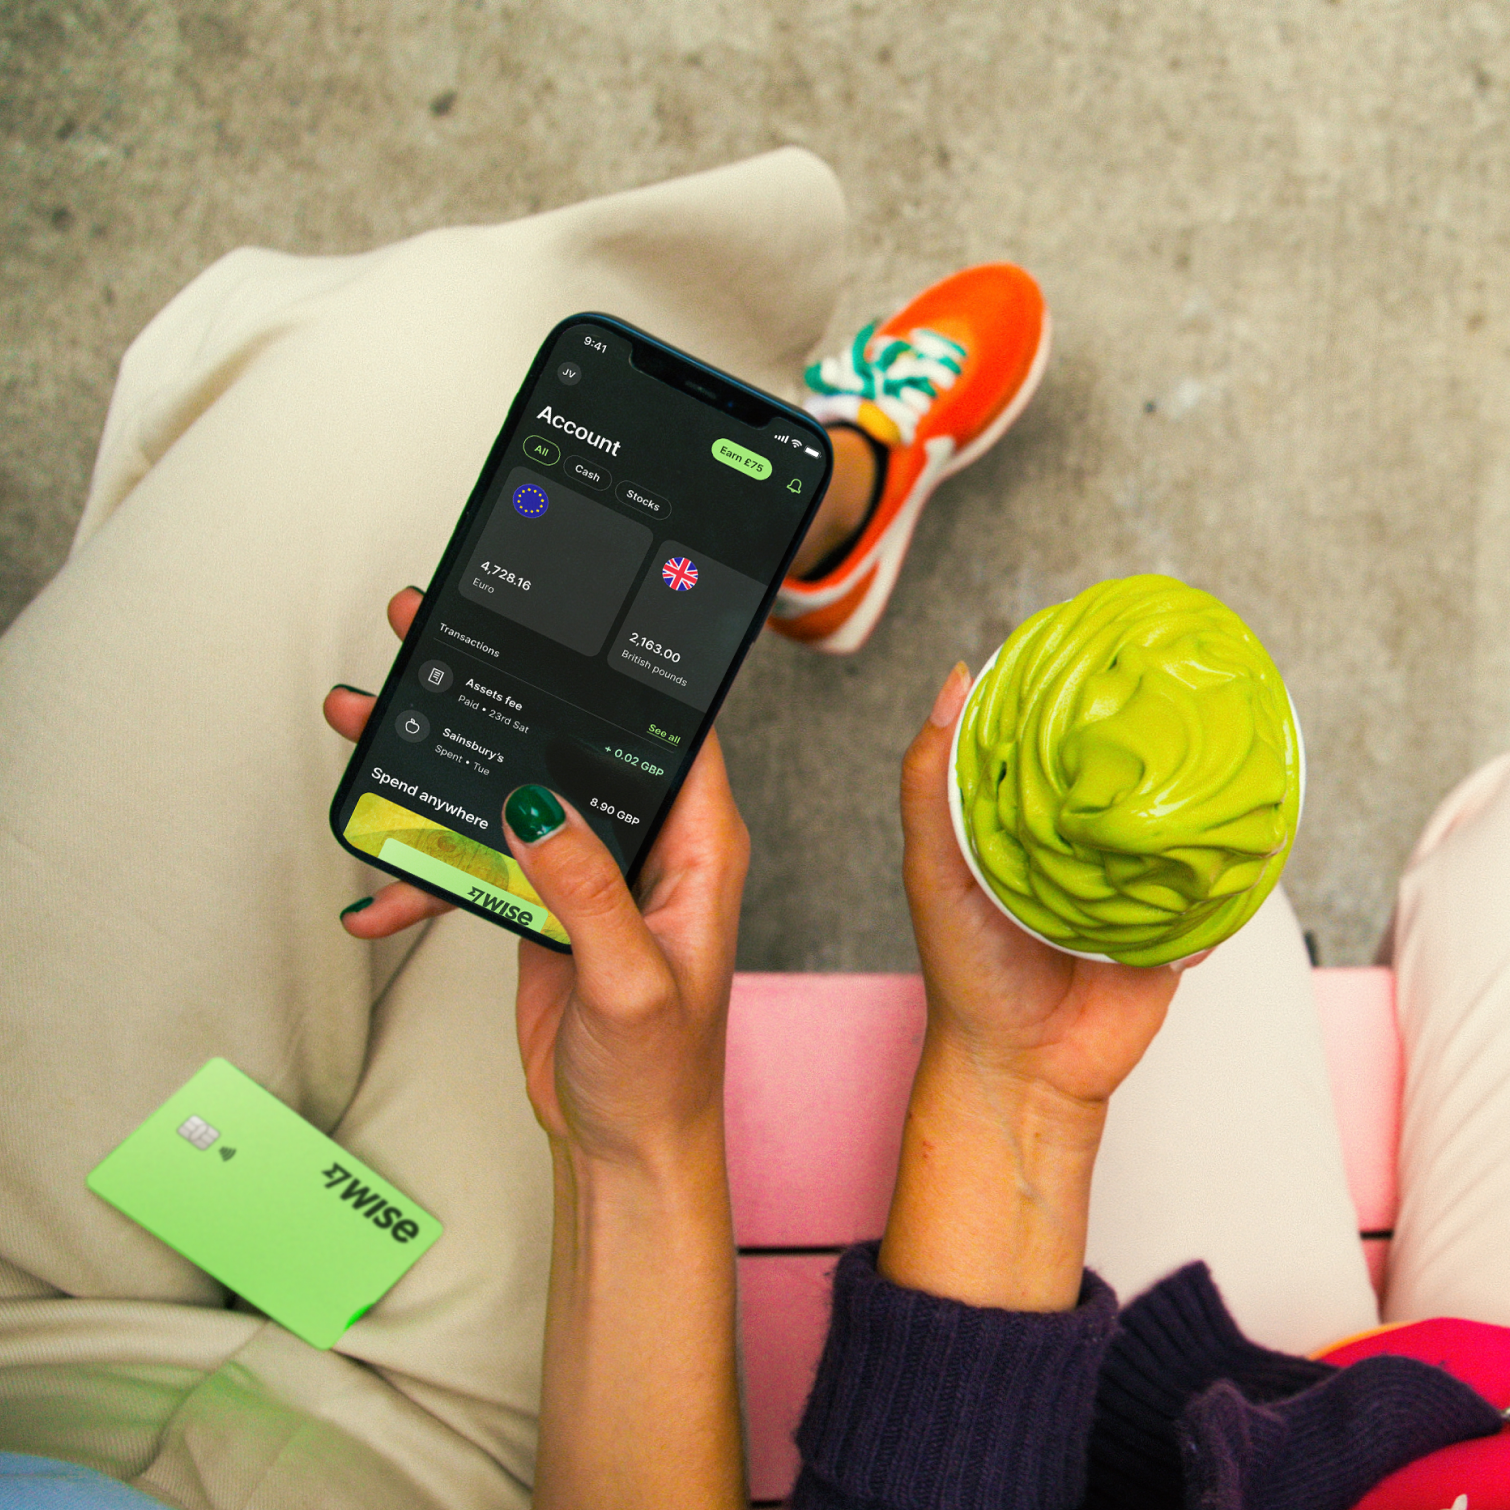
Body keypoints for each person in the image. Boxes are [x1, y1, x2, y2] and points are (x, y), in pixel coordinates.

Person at [2, 148, 1508, 1507]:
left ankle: (804, 495)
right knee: (534, 455)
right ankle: (824, 493)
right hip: (472, 1422)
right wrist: (977, 1090)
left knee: (439, 346)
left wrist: (634, 1133)